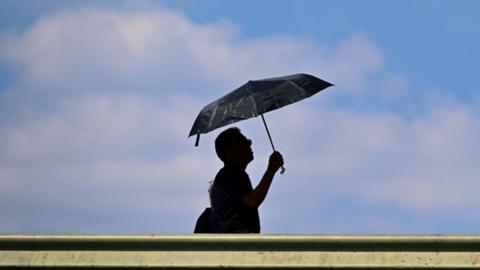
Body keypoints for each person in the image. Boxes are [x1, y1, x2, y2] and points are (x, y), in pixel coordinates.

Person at [209, 127, 284, 233]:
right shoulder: (229, 175)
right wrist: (271, 169)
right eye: (244, 142)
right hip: (235, 246)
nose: (249, 144)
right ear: (231, 149)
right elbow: (251, 201)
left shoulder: (231, 174)